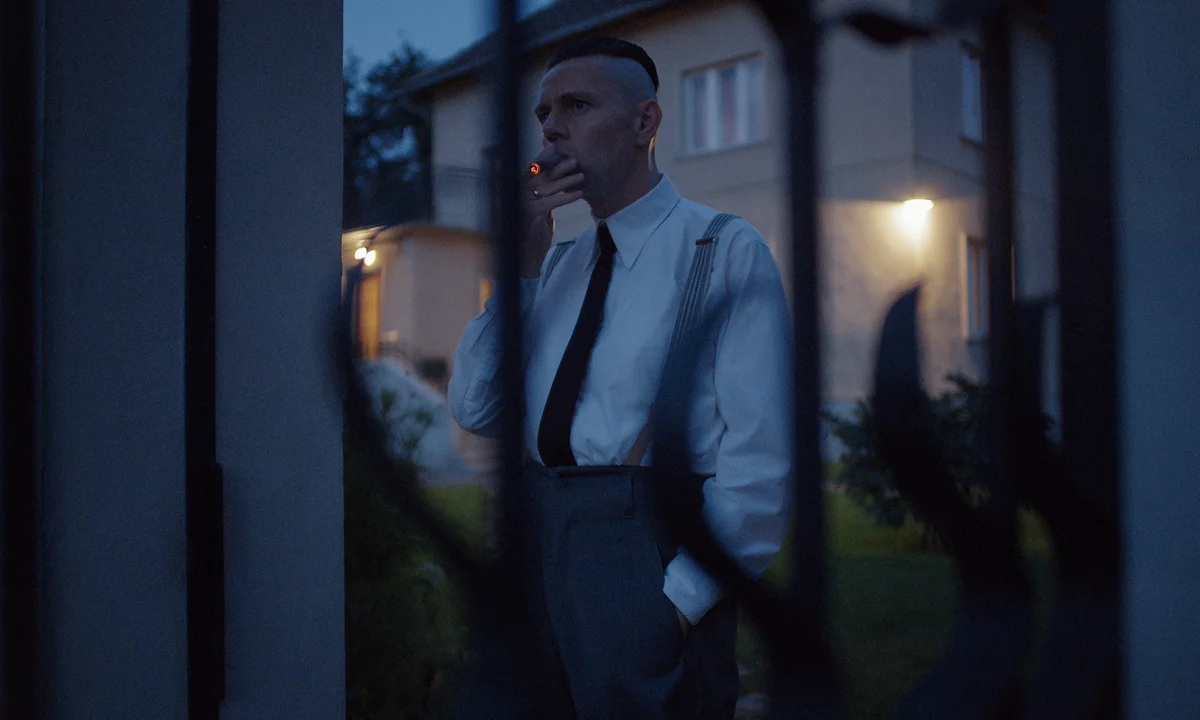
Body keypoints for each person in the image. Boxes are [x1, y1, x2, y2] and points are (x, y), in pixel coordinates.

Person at [448, 36, 793, 720]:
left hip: (647, 552)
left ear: (645, 122)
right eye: (545, 112)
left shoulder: (723, 249)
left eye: (576, 105)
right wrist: (520, 270)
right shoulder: (557, 264)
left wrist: (677, 606)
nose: (551, 127)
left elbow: (761, 458)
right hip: (539, 538)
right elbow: (476, 406)